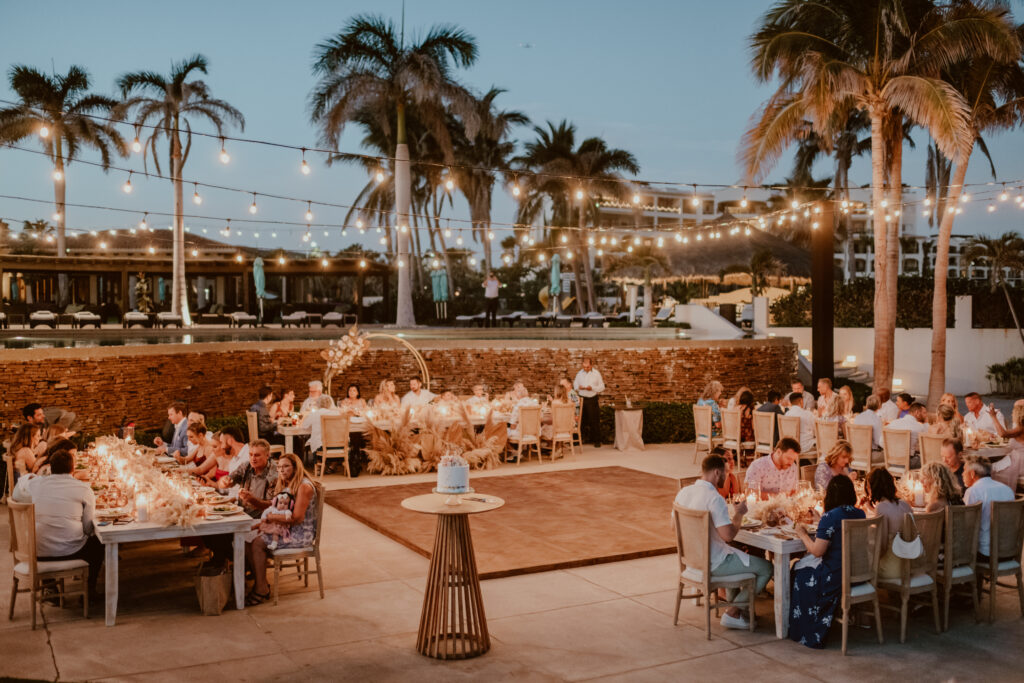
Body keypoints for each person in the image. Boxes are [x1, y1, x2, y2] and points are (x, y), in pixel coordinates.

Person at [674, 453, 773, 630]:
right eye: (726, 473)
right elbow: (728, 536)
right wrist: (739, 514)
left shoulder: (684, 493)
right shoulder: (714, 498)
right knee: (766, 568)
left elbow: (674, 527)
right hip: (714, 563)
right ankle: (733, 611)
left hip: (692, 562)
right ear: (717, 473)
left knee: (737, 555)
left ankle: (736, 609)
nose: (727, 476)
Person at [789, 474, 865, 649]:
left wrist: (802, 534)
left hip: (835, 576)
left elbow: (816, 551)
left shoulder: (830, 516)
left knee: (798, 572)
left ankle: (803, 629)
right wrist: (819, 520)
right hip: (857, 573)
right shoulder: (860, 513)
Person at [17, 449, 104, 598]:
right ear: (73, 468)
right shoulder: (84, 489)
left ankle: (50, 588)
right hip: (71, 551)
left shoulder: (36, 484)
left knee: (44, 534)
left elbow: (16, 493)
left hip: (37, 552)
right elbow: (88, 528)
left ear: (50, 467)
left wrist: (28, 477)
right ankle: (89, 592)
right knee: (100, 543)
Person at [245, 452, 317, 605]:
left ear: (296, 468)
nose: (281, 470)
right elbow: (273, 505)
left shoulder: (304, 486)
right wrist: (252, 500)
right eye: (279, 467)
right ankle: (260, 581)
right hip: (286, 528)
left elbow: (297, 518)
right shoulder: (289, 484)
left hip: (300, 534)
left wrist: (271, 517)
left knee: (257, 543)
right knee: (245, 536)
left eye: (286, 466)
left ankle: (261, 588)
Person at [861, 468, 913, 580]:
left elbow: (883, 546)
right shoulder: (905, 504)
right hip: (910, 564)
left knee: (861, 560)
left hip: (892, 569)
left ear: (872, 488)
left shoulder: (881, 507)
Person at [963, 455, 1015, 559]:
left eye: (964, 470)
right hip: (1009, 551)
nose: (962, 474)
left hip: (985, 553)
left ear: (972, 474)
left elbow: (968, 526)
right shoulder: (1007, 490)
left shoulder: (973, 491)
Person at [986, 399, 1024, 491]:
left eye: (1014, 410)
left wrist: (993, 417)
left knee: (988, 470)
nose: (1011, 412)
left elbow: (1003, 434)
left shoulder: (1021, 427)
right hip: (1017, 459)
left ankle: (997, 496)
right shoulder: (1020, 426)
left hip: (1019, 463)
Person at [573, 357, 605, 448]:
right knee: (580, 420)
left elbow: (602, 387)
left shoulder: (596, 374)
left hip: (592, 399)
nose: (585, 368)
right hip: (582, 398)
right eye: (584, 366)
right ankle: (578, 440)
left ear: (591, 365)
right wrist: (579, 387)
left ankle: (597, 441)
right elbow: (575, 384)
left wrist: (593, 388)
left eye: (587, 367)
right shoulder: (579, 373)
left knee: (594, 420)